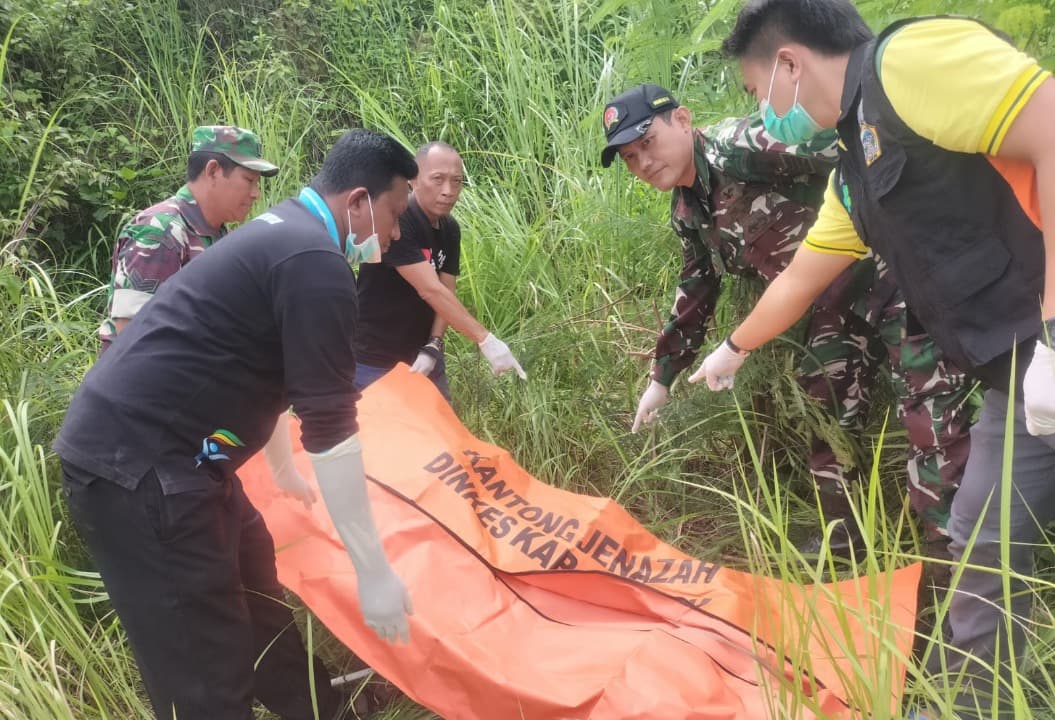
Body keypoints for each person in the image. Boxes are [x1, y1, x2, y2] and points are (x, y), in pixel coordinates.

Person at [711, 1, 1055, 714]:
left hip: (1043, 344)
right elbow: (800, 278)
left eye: (753, 93)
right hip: (1017, 377)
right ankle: (972, 704)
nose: (761, 111)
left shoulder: (911, 62)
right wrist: (730, 349)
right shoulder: (854, 174)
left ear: (788, 63)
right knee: (980, 545)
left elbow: (1053, 131)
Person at [53, 128, 417, 720]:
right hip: (139, 473)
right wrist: (373, 571)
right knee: (205, 671)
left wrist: (278, 467)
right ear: (356, 202)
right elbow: (329, 426)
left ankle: (322, 712)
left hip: (193, 465)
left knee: (258, 606)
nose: (398, 233)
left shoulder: (287, 236)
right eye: (396, 213)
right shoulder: (315, 261)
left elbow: (256, 368)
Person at [600, 83, 972, 551]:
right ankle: (844, 538)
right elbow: (697, 285)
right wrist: (662, 378)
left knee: (929, 412)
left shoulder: (740, 146)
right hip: (836, 299)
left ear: (682, 120)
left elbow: (853, 149)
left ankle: (957, 563)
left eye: (647, 142)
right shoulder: (687, 206)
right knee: (821, 394)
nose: (644, 162)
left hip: (897, 274)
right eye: (630, 157)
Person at [355, 141, 525, 400]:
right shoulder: (398, 221)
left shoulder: (449, 228)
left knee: (443, 436)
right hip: (375, 361)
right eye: (438, 179)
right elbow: (430, 289)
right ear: (414, 180)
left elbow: (447, 290)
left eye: (456, 181)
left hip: (424, 358)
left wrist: (434, 345)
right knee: (377, 439)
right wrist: (485, 339)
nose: (448, 191)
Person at [99, 125, 278, 353]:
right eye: (249, 180)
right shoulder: (160, 231)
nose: (256, 193)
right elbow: (133, 338)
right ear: (213, 171)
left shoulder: (219, 235)